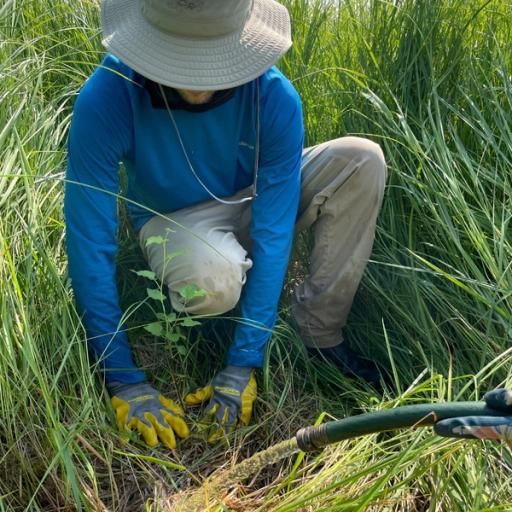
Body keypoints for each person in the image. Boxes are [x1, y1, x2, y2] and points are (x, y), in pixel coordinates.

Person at [65, 0, 387, 449]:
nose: (199, 89)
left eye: (214, 65)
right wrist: (123, 379)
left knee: (361, 158)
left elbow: (274, 230)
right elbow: (89, 240)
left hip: (256, 197)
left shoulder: (274, 96)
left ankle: (319, 334)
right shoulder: (108, 95)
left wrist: (243, 363)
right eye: (180, 64)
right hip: (175, 218)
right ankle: (220, 293)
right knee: (212, 280)